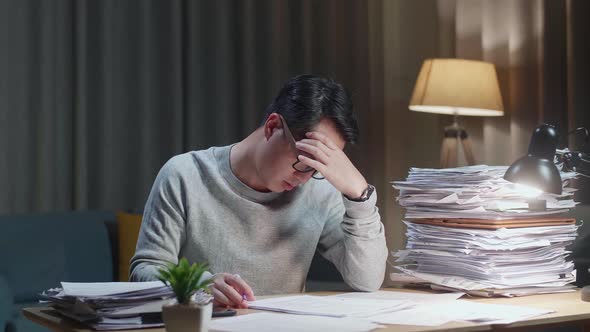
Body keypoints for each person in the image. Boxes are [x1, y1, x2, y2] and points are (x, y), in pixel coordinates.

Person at [130, 74, 387, 308]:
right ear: (273, 126)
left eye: (319, 167)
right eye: (304, 161)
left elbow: (366, 280)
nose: (306, 178)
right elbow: (145, 270)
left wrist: (359, 195)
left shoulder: (319, 191)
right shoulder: (184, 174)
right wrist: (199, 283)